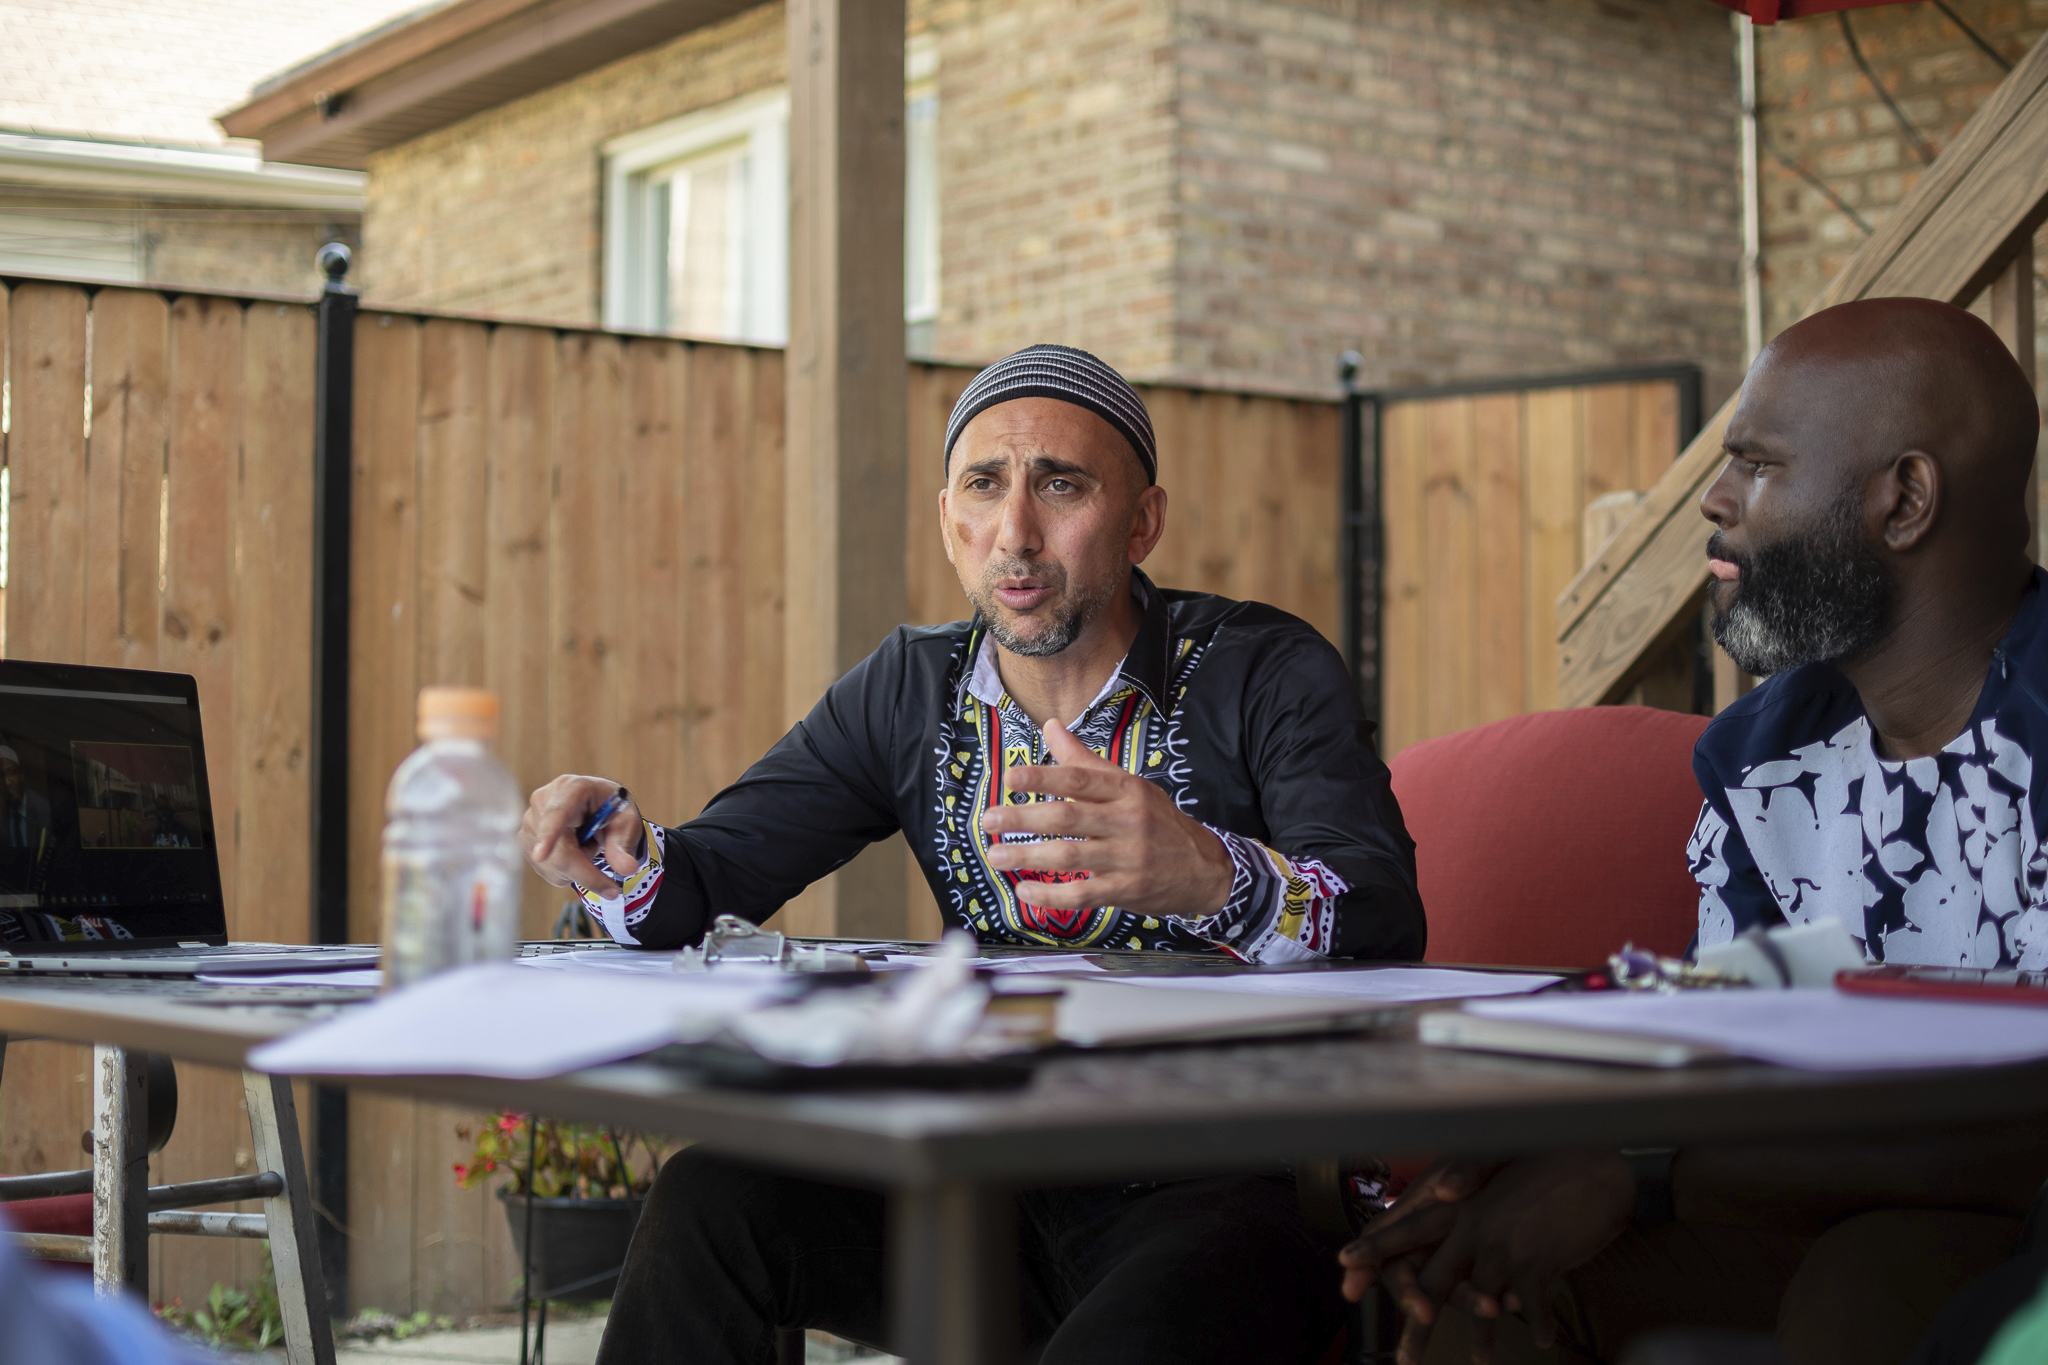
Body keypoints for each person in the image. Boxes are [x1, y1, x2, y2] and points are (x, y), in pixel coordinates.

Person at [520, 343, 1424, 1363]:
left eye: (1062, 486)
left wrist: (1210, 875)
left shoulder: (1261, 670)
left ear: (1142, 523)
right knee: (712, 1202)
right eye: (983, 487)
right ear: (947, 516)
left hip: (1210, 1187)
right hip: (974, 1174)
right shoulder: (907, 690)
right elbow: (711, 879)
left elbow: (1382, 913)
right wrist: (621, 856)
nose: (1016, 534)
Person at [1338, 298, 2048, 1365]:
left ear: (1903, 501)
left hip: (1994, 1242)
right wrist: (1558, 1154)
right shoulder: (1761, 757)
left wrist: (1637, 1171)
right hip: (1802, 1211)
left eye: (1756, 466)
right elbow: (1735, 1053)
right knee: (1482, 1306)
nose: (1712, 501)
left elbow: (2021, 1141)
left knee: (1864, 1290)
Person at [0, 746, 51, 850]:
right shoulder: (2, 812)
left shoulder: (43, 811)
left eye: (11, 772)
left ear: (21, 775)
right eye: (0, 776)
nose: (7, 782)